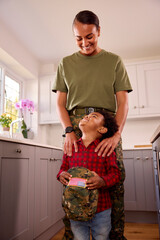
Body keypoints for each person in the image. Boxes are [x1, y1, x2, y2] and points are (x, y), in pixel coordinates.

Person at [52, 10, 132, 240]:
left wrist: (115, 135)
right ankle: (74, 235)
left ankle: (112, 235)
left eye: (90, 36)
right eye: (79, 38)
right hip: (76, 125)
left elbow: (123, 101)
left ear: (99, 32)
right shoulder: (65, 63)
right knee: (74, 183)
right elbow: (60, 103)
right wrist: (69, 130)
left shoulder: (114, 61)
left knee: (114, 181)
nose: (84, 43)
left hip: (107, 123)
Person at [57, 111, 121, 240]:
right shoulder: (71, 147)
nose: (87, 116)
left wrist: (102, 181)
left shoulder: (106, 149)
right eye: (87, 115)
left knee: (102, 237)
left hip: (101, 209)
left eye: (94, 116)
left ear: (102, 129)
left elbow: (115, 174)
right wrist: (61, 175)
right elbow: (63, 169)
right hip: (76, 209)